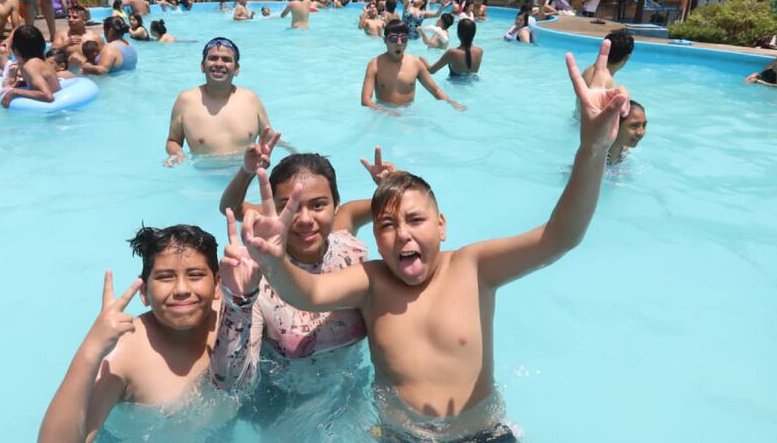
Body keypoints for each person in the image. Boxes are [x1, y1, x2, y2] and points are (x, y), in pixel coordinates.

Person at [239, 38, 630, 441]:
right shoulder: (371, 281)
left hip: (481, 435)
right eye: (387, 225)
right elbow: (307, 293)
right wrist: (274, 260)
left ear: (441, 225)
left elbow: (561, 237)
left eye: (415, 219)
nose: (403, 233)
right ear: (376, 238)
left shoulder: (474, 267)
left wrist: (593, 147)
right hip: (399, 436)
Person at [212, 147, 397, 437]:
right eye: (291, 206)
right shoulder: (256, 277)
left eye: (318, 205)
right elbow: (231, 387)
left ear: (336, 205)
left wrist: (393, 182)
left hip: (354, 392)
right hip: (286, 407)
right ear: (273, 210)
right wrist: (238, 302)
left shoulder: (354, 254)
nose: (305, 218)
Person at [37, 225, 231, 443]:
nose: (182, 290)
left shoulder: (234, 317)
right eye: (165, 277)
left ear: (217, 284)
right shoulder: (123, 355)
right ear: (144, 293)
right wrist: (92, 348)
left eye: (195, 275)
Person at [164, 38, 273, 166]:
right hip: (204, 175)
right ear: (202, 66)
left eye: (226, 59)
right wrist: (176, 153)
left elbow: (270, 138)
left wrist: (291, 151)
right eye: (213, 58)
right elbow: (173, 141)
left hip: (246, 173)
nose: (219, 63)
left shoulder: (250, 98)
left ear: (236, 69)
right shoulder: (185, 100)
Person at [361, 21, 466, 115]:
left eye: (403, 39)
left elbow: (435, 91)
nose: (399, 43)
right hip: (383, 114)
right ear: (385, 40)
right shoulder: (375, 65)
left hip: (408, 114)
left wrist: (451, 102)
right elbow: (365, 100)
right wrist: (386, 112)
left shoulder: (416, 64)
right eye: (393, 39)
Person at [2, 25, 61, 108]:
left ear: (17, 47)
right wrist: (23, 83)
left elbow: (48, 96)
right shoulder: (43, 60)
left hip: (48, 111)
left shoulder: (30, 65)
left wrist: (14, 92)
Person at [608, 100, 647, 166]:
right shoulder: (594, 156)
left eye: (644, 125)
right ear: (615, 124)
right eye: (634, 125)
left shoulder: (624, 151)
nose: (641, 133)